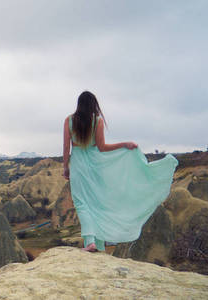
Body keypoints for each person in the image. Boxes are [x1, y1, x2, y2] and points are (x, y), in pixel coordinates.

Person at [62, 91, 178, 252]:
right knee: (97, 204)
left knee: (82, 203)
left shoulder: (69, 121)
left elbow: (67, 148)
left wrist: (66, 167)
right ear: (93, 104)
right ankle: (99, 245)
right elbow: (102, 148)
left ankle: (90, 242)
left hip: (78, 164)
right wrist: (124, 144)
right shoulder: (98, 121)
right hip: (96, 165)